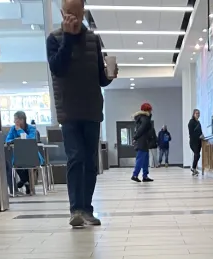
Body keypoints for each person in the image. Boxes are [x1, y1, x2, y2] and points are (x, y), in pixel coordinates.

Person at [47, 0, 117, 228]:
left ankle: (87, 208)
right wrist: (68, 38)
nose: (73, 19)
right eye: (68, 14)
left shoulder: (93, 40)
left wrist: (109, 75)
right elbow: (57, 68)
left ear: (83, 12)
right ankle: (75, 209)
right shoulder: (55, 39)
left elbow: (100, 78)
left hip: (92, 110)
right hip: (68, 111)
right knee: (75, 158)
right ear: (62, 13)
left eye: (76, 14)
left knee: (90, 162)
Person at [4, 111, 39, 195]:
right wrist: (14, 140)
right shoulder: (13, 129)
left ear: (22, 120)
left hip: (32, 155)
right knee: (16, 163)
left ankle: (24, 181)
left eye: (16, 119)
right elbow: (7, 140)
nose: (14, 121)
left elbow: (30, 140)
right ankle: (26, 182)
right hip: (18, 155)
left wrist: (19, 130)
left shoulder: (31, 128)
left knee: (27, 163)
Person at [130, 103, 157, 183]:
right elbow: (141, 130)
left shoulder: (142, 118)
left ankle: (145, 176)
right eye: (150, 110)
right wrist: (135, 137)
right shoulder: (145, 119)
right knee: (140, 159)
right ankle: (135, 175)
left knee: (145, 160)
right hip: (142, 142)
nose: (151, 111)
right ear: (147, 110)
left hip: (144, 142)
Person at [188, 109, 203, 175]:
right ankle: (193, 168)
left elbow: (200, 131)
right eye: (196, 113)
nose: (198, 115)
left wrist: (202, 135)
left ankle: (194, 169)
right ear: (194, 114)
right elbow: (191, 133)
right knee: (197, 154)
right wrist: (198, 136)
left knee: (197, 155)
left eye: (199, 113)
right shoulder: (191, 122)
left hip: (199, 142)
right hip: (193, 142)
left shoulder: (198, 122)